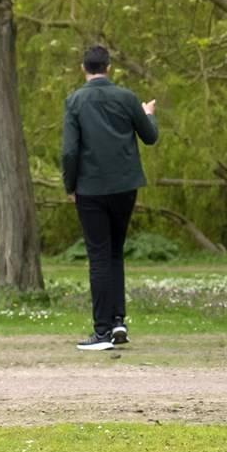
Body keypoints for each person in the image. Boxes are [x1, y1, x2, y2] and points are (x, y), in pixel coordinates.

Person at [61, 45, 158, 352]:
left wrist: (70, 185)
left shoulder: (75, 101)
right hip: (125, 186)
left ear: (83, 68)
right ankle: (118, 320)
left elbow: (69, 151)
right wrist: (147, 115)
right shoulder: (127, 98)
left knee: (99, 257)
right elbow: (150, 137)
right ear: (109, 67)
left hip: (90, 188)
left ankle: (102, 331)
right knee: (115, 253)